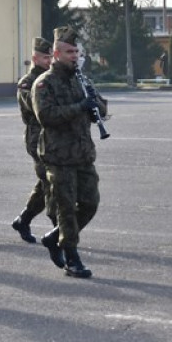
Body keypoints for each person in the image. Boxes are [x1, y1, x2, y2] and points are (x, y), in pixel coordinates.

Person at [31, 26, 108, 278]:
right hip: (58, 156)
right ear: (56, 53)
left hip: (83, 154)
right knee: (65, 208)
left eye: (76, 51)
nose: (74, 56)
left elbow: (102, 107)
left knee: (90, 203)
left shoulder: (81, 79)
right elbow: (46, 116)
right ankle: (72, 258)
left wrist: (95, 105)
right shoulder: (44, 83)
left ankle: (55, 237)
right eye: (69, 51)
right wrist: (78, 107)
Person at [10, 37, 56, 243]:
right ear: (35, 58)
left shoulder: (54, 78)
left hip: (56, 139)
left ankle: (24, 220)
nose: (49, 61)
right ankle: (60, 231)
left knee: (45, 183)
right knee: (53, 184)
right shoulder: (27, 83)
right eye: (45, 57)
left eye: (51, 57)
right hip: (37, 141)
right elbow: (38, 107)